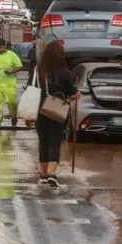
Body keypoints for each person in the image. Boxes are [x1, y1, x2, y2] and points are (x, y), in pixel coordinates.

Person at [36, 41, 80, 187]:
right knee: (55, 141)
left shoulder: (38, 70)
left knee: (43, 141)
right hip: (57, 111)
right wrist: (77, 94)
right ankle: (51, 173)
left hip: (40, 109)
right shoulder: (65, 72)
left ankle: (43, 174)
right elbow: (73, 94)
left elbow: (31, 88)